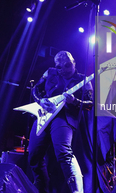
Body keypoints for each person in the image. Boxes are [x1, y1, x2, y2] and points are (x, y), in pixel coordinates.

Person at [29, 51, 93, 193]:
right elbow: (35, 90)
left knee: (63, 152)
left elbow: (90, 103)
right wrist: (41, 101)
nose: (63, 69)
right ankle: (41, 190)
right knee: (33, 155)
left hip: (64, 117)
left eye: (67, 65)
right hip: (43, 116)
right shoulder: (50, 73)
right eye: (59, 67)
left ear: (74, 63)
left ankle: (77, 191)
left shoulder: (83, 80)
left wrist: (75, 101)